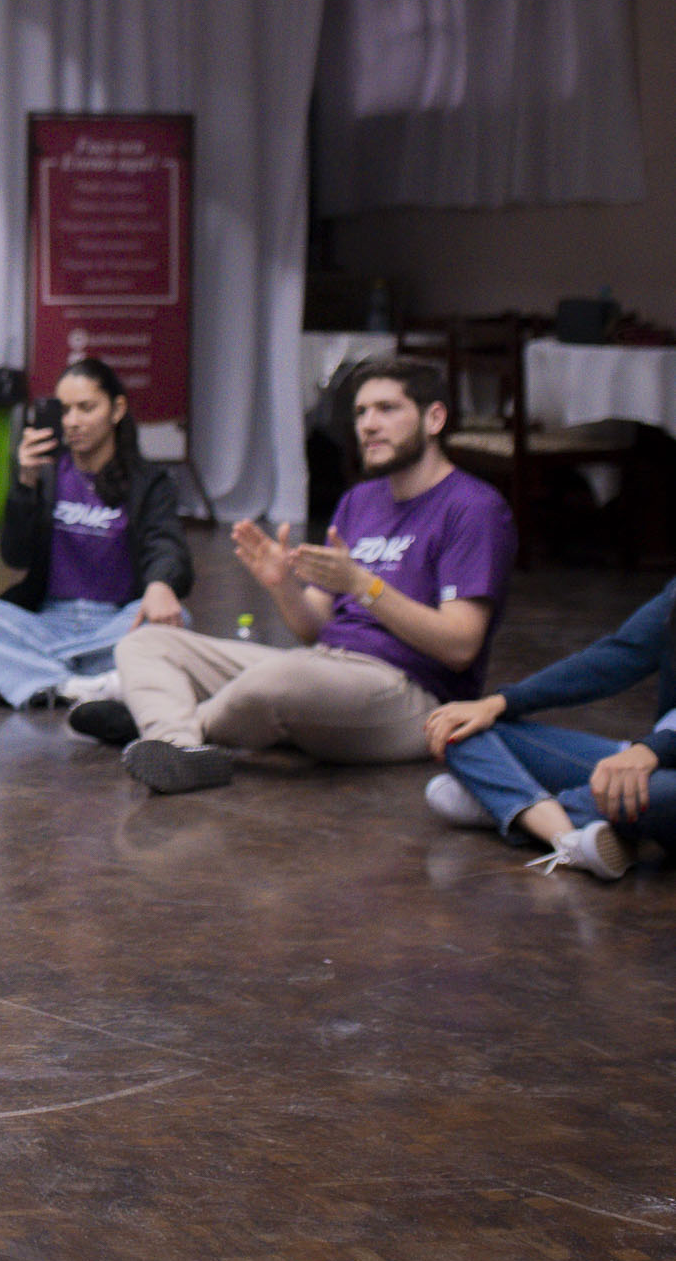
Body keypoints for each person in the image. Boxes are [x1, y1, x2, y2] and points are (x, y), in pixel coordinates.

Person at [81, 356, 516, 796]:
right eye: (361, 412)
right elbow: (314, 628)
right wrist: (282, 584)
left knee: (276, 681)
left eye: (387, 409)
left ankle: (161, 723)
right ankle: (179, 745)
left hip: (410, 695)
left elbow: (460, 647)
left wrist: (365, 586)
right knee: (146, 642)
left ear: (434, 418)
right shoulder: (360, 501)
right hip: (326, 667)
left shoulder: (473, 507)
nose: (368, 425)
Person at [0, 358, 190, 707]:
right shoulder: (46, 474)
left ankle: (22, 673)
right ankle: (83, 682)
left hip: (115, 623)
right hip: (45, 620)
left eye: (86, 408)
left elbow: (166, 544)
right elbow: (15, 556)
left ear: (117, 409)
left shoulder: (148, 482)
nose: (72, 421)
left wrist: (160, 584)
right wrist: (25, 485)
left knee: (177, 619)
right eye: (64, 410)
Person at [422, 575, 676, 880]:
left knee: (660, 794)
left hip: (662, 771)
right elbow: (617, 657)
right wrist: (499, 703)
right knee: (461, 729)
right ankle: (566, 832)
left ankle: (513, 809)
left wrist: (655, 748)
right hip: (652, 759)